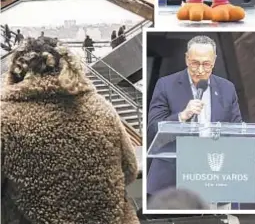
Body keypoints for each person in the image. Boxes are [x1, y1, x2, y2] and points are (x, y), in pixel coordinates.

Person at [1, 36, 139, 224]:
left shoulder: (5, 119)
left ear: (16, 72)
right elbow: (130, 170)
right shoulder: (102, 109)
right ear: (72, 68)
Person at [147, 35, 242, 196]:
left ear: (214, 61)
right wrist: (181, 117)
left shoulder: (227, 88)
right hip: (172, 183)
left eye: (206, 64)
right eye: (195, 63)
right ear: (186, 59)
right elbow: (152, 130)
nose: (200, 70)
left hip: (214, 175)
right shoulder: (165, 85)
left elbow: (238, 130)